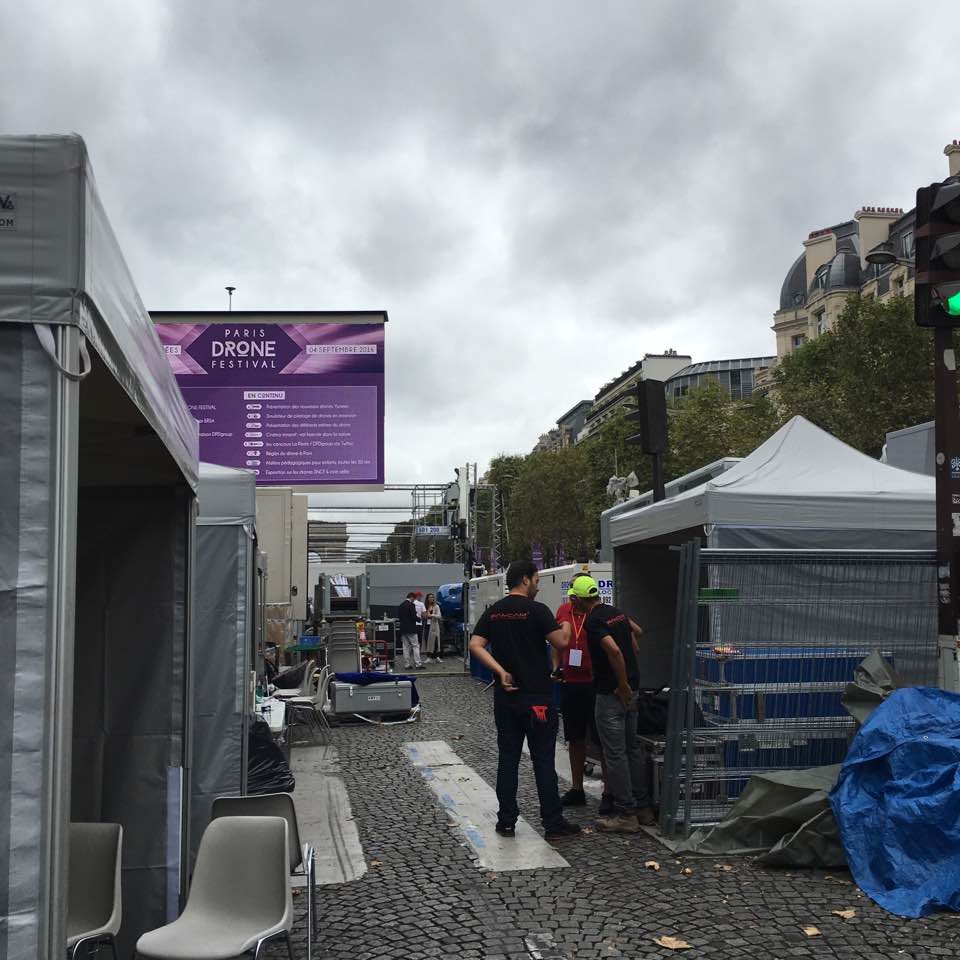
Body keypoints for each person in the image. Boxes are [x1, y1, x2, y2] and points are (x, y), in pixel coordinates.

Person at [469, 560, 581, 841]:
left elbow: (475, 645)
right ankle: (553, 824)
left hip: (506, 698)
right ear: (526, 580)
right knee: (543, 760)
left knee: (507, 760)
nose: (538, 585)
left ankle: (506, 821)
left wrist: (500, 671)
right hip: (537, 698)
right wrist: (566, 621)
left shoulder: (494, 612)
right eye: (537, 580)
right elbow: (562, 642)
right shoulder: (538, 611)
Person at [571, 576, 655, 832]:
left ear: (578, 599)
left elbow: (614, 651)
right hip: (633, 690)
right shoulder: (616, 612)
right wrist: (630, 676)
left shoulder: (594, 621)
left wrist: (621, 684)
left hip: (612, 693)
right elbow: (637, 634)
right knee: (633, 750)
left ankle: (626, 814)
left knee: (615, 754)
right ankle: (643, 809)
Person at [552, 571, 610, 813]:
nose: (574, 596)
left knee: (602, 738)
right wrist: (556, 668)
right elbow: (557, 642)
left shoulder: (598, 611)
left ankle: (609, 791)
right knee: (574, 737)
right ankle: (577, 788)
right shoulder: (564, 611)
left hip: (594, 681)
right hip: (571, 682)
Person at [398, 592, 423, 670]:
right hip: (411, 629)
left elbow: (399, 617)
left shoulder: (401, 605)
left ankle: (407, 665)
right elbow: (413, 617)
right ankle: (418, 664)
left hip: (403, 629)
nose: (414, 600)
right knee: (415, 646)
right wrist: (419, 619)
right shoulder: (411, 605)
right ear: (412, 597)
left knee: (405, 647)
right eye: (414, 599)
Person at [423, 592, 443, 662]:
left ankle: (437, 656)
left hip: (434, 626)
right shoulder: (425, 606)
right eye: (430, 597)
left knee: (435, 641)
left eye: (432, 597)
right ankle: (429, 657)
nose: (431, 598)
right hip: (427, 626)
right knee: (427, 641)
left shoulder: (436, 606)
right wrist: (425, 615)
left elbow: (439, 616)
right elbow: (423, 615)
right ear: (427, 599)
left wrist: (432, 615)